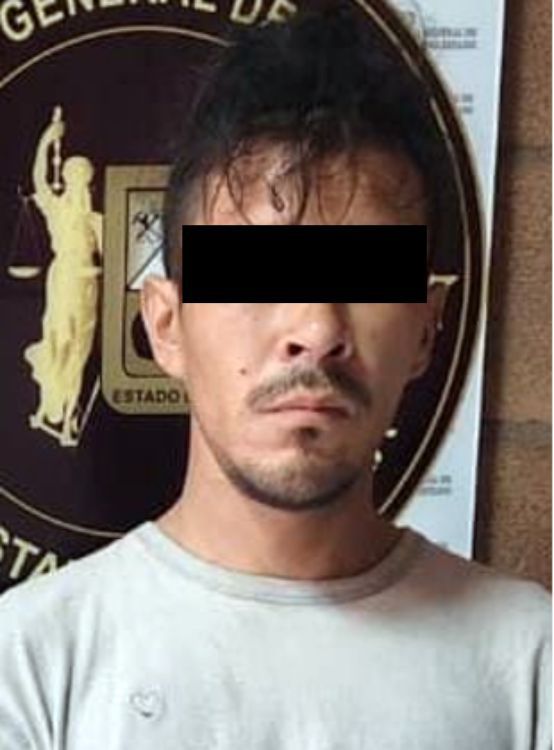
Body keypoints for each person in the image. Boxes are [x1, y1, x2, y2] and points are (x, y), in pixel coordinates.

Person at [0, 6, 550, 749]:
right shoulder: (31, 666)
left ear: (427, 328)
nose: (316, 329)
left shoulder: (528, 665)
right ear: (166, 326)